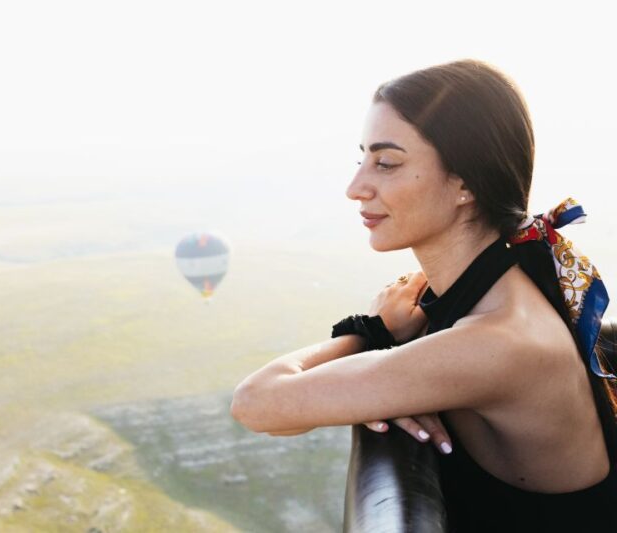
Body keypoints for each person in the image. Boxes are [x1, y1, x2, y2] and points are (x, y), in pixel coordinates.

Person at [230, 59, 617, 532]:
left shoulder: (498, 338)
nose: (356, 188)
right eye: (362, 159)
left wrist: (375, 334)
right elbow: (284, 419)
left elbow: (257, 403)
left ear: (466, 183)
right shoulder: (486, 291)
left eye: (387, 163)